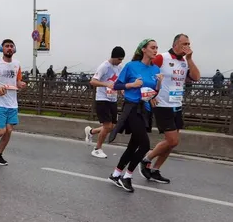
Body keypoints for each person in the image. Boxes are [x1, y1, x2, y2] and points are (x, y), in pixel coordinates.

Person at [139, 34, 201, 183]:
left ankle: (155, 169)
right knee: (172, 141)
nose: (187, 46)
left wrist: (190, 59)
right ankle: (146, 159)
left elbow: (196, 77)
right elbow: (144, 73)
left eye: (189, 43)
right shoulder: (162, 58)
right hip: (162, 104)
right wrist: (150, 96)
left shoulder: (185, 62)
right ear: (175, 45)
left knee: (173, 142)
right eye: (184, 43)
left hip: (176, 104)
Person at [108, 39, 163, 193]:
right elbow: (116, 85)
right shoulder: (131, 66)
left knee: (133, 145)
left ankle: (115, 174)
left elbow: (153, 92)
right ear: (143, 50)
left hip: (145, 109)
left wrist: (158, 85)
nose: (155, 50)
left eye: (157, 48)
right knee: (145, 145)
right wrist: (131, 85)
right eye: (152, 47)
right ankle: (127, 176)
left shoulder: (156, 69)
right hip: (132, 108)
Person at [85, 46, 125, 158]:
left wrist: (122, 91)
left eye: (122, 59)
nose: (120, 61)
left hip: (113, 98)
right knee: (107, 126)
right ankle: (97, 149)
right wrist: (106, 84)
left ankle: (91, 132)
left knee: (112, 126)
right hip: (102, 99)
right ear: (114, 57)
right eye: (119, 59)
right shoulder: (104, 66)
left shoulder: (119, 67)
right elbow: (93, 81)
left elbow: (118, 82)